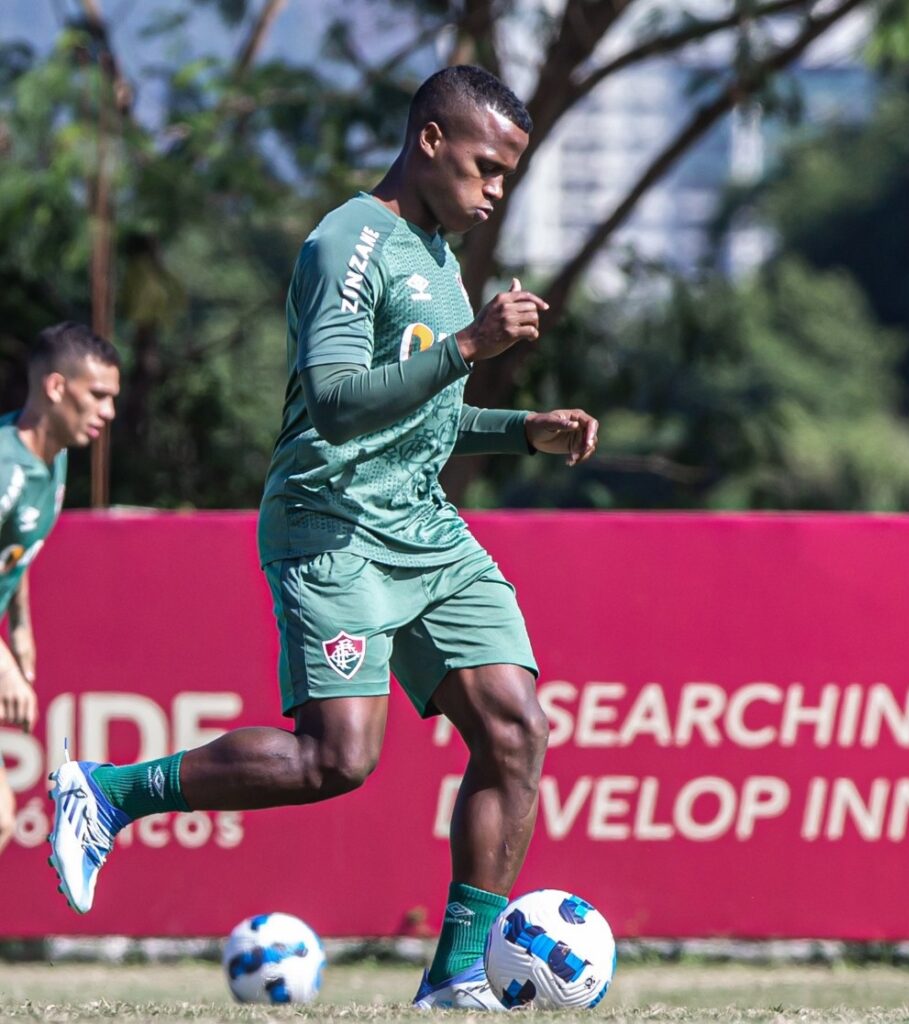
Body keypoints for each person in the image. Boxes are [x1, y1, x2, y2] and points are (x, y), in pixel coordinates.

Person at [47, 65, 598, 1010]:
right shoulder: (349, 241)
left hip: (423, 527)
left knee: (516, 729)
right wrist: (473, 349)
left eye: (507, 176)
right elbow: (340, 406)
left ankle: (456, 975)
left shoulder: (437, 259)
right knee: (335, 759)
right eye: (485, 169)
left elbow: (418, 422)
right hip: (333, 524)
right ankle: (109, 793)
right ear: (430, 141)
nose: (495, 192)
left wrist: (521, 429)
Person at [0, 322, 120, 854]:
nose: (109, 411)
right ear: (55, 388)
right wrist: (4, 664)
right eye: (97, 395)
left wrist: (21, 625)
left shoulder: (55, 459)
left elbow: (14, 549)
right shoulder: (7, 469)